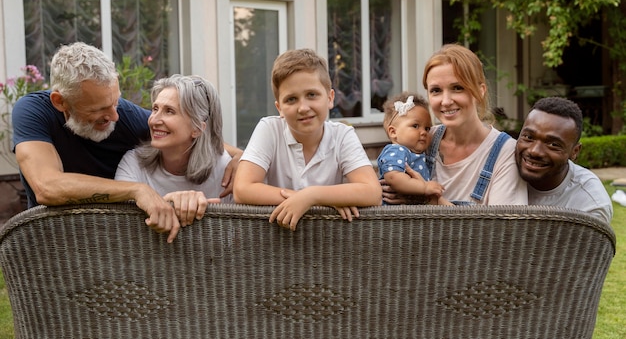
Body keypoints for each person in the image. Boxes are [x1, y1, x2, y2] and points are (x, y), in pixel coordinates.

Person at [12, 42, 241, 243]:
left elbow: (192, 132)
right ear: (60, 102)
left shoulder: (124, 115)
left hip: (110, 239)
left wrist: (241, 156)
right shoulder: (33, 112)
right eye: (99, 109)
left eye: (115, 102)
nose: (115, 116)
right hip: (50, 238)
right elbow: (47, 187)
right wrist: (137, 190)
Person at [233, 48, 382, 231]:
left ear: (330, 98)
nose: (303, 107)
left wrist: (313, 196)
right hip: (278, 238)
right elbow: (242, 189)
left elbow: (372, 192)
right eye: (291, 99)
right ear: (279, 108)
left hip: (327, 238)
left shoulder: (342, 135)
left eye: (311, 95)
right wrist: (306, 199)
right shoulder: (270, 129)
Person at [415, 43, 528, 205]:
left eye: (457, 88)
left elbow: (504, 228)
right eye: (436, 90)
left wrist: (433, 200)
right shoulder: (423, 140)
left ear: (480, 91)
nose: (446, 101)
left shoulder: (505, 152)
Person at [115, 75, 232, 228]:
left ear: (197, 128)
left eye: (169, 111)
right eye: (155, 109)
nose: (153, 120)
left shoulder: (225, 169)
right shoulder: (133, 162)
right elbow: (122, 226)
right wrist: (169, 202)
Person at [516, 96, 613, 224]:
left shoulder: (589, 204)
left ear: (575, 152)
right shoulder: (500, 168)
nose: (534, 151)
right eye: (528, 137)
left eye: (553, 145)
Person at [377, 91, 450, 205]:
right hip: (392, 216)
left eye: (427, 128)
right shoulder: (396, 151)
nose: (424, 132)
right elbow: (393, 177)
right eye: (415, 126)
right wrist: (424, 187)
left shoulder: (419, 154)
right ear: (393, 132)